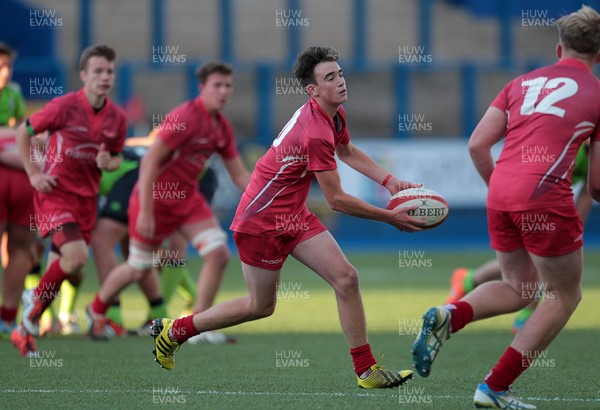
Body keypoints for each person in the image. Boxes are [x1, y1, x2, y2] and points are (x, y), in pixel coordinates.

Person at [150, 46, 424, 389]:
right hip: (260, 222)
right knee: (260, 306)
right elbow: (336, 200)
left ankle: (366, 371)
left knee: (346, 278)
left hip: (292, 214)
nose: (340, 81)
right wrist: (390, 217)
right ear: (312, 90)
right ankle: (175, 330)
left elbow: (348, 151)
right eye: (330, 77)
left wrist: (391, 181)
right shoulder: (315, 131)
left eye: (340, 73)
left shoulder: (333, 114)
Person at [412, 6, 600, 408]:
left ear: (558, 47)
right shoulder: (597, 94)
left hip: (499, 194)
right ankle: (494, 387)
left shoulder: (520, 84)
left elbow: (477, 144)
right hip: (546, 196)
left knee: (521, 287)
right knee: (564, 296)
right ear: (598, 55)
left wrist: (502, 190)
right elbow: (596, 185)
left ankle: (451, 314)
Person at [86, 62, 252, 342]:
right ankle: (96, 309)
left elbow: (238, 174)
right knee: (138, 267)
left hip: (188, 201)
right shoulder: (185, 117)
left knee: (218, 253)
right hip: (152, 200)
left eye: (228, 86)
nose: (223, 91)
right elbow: (149, 161)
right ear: (202, 88)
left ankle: (200, 325)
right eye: (217, 85)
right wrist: (146, 212)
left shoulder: (222, 127)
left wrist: (271, 192)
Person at [10, 45, 127, 357]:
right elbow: (24, 131)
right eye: (98, 71)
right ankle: (32, 300)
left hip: (87, 204)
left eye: (110, 72)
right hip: (55, 196)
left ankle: (24, 329)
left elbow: (116, 159)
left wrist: (108, 162)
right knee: (75, 258)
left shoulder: (117, 118)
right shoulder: (63, 107)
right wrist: (34, 174)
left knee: (72, 272)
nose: (105, 77)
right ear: (84, 75)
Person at [446, 143, 593, 332]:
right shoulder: (569, 140)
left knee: (527, 261)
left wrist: (573, 229)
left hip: (544, 202)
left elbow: (587, 192)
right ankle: (526, 312)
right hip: (529, 197)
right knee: (538, 258)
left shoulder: (592, 151)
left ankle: (468, 280)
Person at [0, 43, 37, 337]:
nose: (6, 72)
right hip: (16, 168)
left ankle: (8, 316)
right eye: (0, 66)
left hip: (20, 176)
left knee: (20, 247)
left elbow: (24, 133)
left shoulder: (13, 94)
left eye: (8, 66)